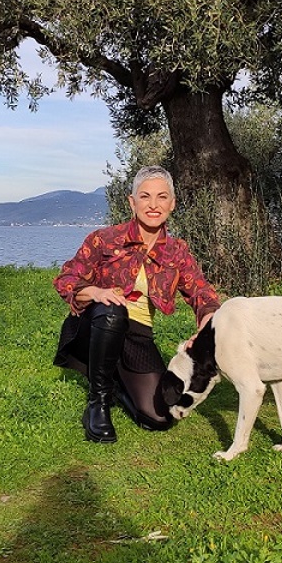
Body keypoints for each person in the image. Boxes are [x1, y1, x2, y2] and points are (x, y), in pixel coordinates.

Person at [53, 166, 220, 444]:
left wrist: (208, 323)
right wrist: (94, 291)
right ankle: (98, 402)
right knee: (113, 311)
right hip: (96, 326)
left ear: (172, 203)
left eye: (162, 197)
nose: (153, 205)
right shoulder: (103, 239)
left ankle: (117, 384)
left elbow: (201, 292)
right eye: (145, 197)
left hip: (137, 336)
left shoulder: (177, 251)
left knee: (159, 418)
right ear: (132, 202)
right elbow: (66, 279)